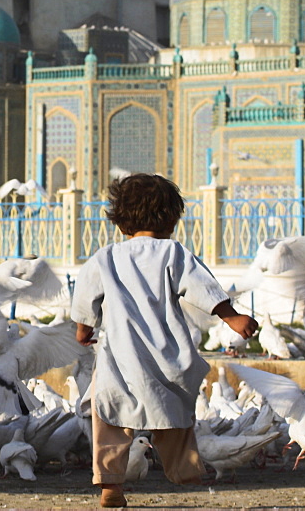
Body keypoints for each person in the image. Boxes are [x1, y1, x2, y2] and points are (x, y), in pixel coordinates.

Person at [70, 174, 257, 508]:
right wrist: (233, 317)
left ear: (120, 220)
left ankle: (110, 484)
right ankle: (185, 469)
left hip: (119, 357)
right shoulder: (174, 254)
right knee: (174, 414)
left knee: (110, 420)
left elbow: (86, 299)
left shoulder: (106, 257)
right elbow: (202, 287)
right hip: (165, 356)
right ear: (172, 218)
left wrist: (84, 330)